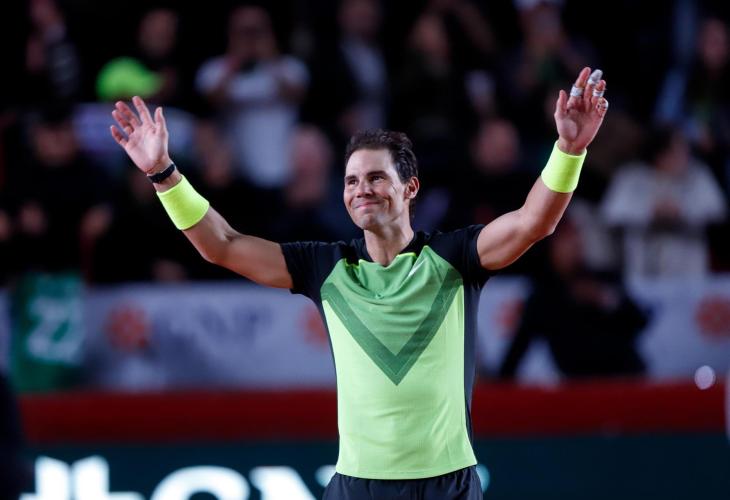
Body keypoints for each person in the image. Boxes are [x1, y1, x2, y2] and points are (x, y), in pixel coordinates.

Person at [110, 67, 608, 499]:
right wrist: (163, 173)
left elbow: (533, 223)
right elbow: (221, 245)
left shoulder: (454, 259)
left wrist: (569, 150)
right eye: (350, 181)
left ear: (410, 188)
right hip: (356, 487)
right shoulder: (326, 268)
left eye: (375, 178)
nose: (361, 190)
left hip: (447, 487)